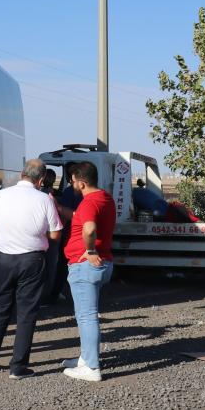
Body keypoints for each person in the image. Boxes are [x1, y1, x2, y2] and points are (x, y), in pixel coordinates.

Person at [0, 159, 64, 379]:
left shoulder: (1, 195)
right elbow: (55, 234)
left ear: (21, 174)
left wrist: (9, 226)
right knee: (26, 313)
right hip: (32, 260)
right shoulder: (45, 199)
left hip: (5, 258)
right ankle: (18, 366)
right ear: (42, 179)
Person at [62, 161, 117, 382]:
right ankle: (86, 358)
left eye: (73, 181)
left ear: (82, 182)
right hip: (101, 263)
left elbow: (90, 228)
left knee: (86, 317)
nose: (71, 184)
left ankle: (92, 368)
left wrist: (90, 249)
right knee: (85, 315)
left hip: (86, 265)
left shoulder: (88, 203)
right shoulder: (104, 197)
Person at [40, 168, 68, 304]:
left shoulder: (36, 193)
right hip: (53, 234)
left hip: (40, 234)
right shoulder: (57, 195)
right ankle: (49, 294)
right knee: (52, 265)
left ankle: (41, 294)